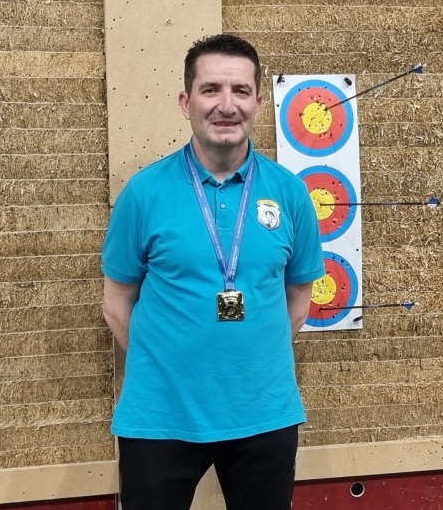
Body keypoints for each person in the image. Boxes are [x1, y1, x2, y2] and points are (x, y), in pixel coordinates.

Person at [101, 34, 325, 510]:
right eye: (211, 90)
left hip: (264, 416)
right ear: (186, 102)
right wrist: (172, 367)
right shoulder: (143, 195)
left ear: (259, 103)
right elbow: (117, 302)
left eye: (240, 91)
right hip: (160, 418)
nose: (227, 105)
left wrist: (248, 362)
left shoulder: (290, 194)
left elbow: (298, 299)